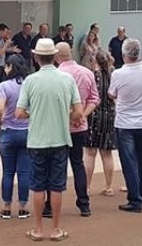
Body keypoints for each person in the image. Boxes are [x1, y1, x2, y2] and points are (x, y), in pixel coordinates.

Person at [16, 38, 83, 242]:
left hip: (37, 140)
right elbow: (78, 111)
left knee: (37, 186)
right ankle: (55, 229)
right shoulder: (67, 79)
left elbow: (19, 113)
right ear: (54, 57)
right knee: (56, 186)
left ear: (36, 57)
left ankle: (37, 229)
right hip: (60, 139)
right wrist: (65, 115)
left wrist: (33, 114)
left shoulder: (30, 80)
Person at [48, 42, 99, 218]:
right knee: (77, 163)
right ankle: (84, 203)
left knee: (56, 165)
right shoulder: (87, 72)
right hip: (80, 126)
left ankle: (50, 205)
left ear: (56, 56)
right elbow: (94, 98)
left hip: (59, 126)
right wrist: (83, 114)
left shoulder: (56, 75)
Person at [108, 39, 142, 213]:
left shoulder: (118, 74)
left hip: (125, 123)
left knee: (130, 163)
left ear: (124, 54)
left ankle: (135, 200)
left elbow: (112, 94)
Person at [0, 54, 31, 220]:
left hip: (8, 130)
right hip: (26, 131)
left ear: (11, 67)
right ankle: (23, 206)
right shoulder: (29, 84)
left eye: (7, 66)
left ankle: (6, 207)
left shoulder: (4, 86)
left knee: (8, 171)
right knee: (24, 172)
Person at [84, 50, 117, 197]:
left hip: (93, 116)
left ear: (94, 61)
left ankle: (87, 187)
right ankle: (109, 186)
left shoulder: (91, 76)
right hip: (109, 115)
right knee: (107, 153)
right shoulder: (111, 76)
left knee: (90, 153)